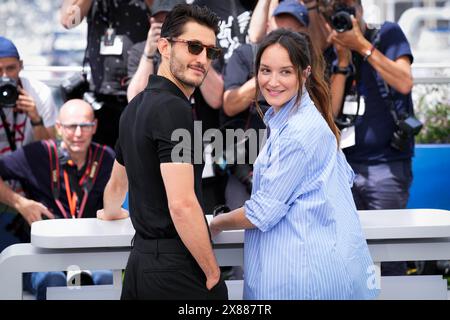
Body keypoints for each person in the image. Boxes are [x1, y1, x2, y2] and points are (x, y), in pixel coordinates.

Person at [210, 29, 379, 300]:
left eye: (285, 72)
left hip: (302, 280)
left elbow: (260, 213)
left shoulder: (299, 132)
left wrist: (216, 223)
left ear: (304, 73)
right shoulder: (298, 118)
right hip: (308, 270)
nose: (273, 81)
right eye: (265, 70)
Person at [97, 4, 228, 300]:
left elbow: (116, 187)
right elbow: (182, 205)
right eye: (194, 47)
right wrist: (212, 272)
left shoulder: (134, 108)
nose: (203, 59)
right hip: (176, 270)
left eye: (211, 52)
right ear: (164, 46)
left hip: (140, 265)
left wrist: (110, 212)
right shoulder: (175, 110)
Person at [326, 0, 416, 275]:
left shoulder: (388, 33)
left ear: (361, 9)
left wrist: (361, 46)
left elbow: (404, 81)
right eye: (337, 10)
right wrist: (342, 61)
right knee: (347, 256)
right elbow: (329, 112)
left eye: (349, 7)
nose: (345, 14)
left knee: (390, 254)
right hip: (343, 169)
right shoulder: (331, 47)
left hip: (386, 164)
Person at [0, 99, 115, 299]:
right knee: (52, 281)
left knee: (104, 279)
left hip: (90, 252)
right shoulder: (39, 153)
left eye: (85, 126)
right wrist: (20, 202)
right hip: (44, 252)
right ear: (59, 128)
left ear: (94, 126)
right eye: (71, 127)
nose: (78, 133)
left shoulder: (106, 157)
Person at [222, 0, 309, 210]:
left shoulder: (308, 63)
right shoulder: (246, 54)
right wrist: (267, 73)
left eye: (290, 30)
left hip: (291, 169)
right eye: (279, 25)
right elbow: (230, 105)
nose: (282, 35)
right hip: (246, 168)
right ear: (269, 24)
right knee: (240, 234)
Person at [60, 0, 151, 148]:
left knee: (141, 162)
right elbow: (69, 20)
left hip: (142, 94)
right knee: (103, 163)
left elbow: (166, 14)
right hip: (101, 97)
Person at [0, 36, 56, 156]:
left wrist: (36, 119)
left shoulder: (39, 93)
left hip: (25, 168)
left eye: (11, 68)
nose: (5, 76)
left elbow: (51, 153)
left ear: (20, 65)